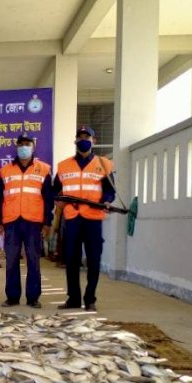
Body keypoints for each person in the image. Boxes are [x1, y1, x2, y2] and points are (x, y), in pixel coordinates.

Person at [53, 126, 116, 311]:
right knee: (71, 260)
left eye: (87, 136)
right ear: (75, 141)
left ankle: (90, 299)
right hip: (72, 218)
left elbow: (110, 190)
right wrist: (58, 201)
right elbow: (54, 189)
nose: (83, 139)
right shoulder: (64, 165)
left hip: (93, 218)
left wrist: (106, 201)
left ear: (93, 141)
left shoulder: (104, 164)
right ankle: (73, 298)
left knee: (93, 260)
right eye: (80, 137)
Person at [0, 133, 54, 308]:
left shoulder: (43, 169)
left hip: (33, 222)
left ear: (33, 146)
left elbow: (48, 199)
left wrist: (47, 222)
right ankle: (12, 297)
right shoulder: (5, 171)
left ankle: (33, 297)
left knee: (33, 260)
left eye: (27, 144)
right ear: (16, 146)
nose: (24, 147)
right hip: (11, 222)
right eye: (21, 144)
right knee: (11, 260)